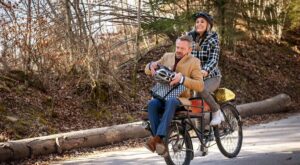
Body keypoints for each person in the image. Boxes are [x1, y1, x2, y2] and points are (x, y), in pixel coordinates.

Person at [144, 35, 204, 156]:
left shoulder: (194, 62)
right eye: (177, 47)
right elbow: (148, 70)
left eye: (182, 48)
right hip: (162, 96)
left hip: (180, 99)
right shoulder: (167, 56)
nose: (178, 50)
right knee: (152, 104)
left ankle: (157, 139)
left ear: (189, 50)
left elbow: (200, 85)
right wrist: (150, 66)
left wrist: (182, 79)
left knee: (171, 101)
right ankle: (160, 142)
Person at [187, 12, 223, 126]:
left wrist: (205, 70)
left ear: (208, 25)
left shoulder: (213, 38)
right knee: (196, 104)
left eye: (202, 21)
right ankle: (203, 131)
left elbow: (214, 59)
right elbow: (185, 56)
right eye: (197, 22)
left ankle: (217, 112)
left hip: (212, 76)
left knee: (202, 89)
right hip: (196, 77)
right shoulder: (190, 38)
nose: (199, 24)